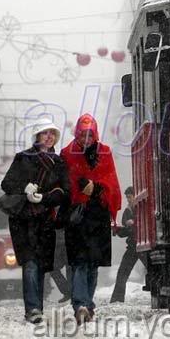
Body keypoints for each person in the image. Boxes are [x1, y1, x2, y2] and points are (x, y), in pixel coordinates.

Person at [0, 118, 70, 324]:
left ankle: (36, 307)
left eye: (52, 133)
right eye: (44, 133)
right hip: (22, 220)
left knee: (39, 265)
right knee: (30, 263)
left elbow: (65, 192)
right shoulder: (23, 158)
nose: (49, 137)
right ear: (37, 136)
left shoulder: (59, 163)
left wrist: (45, 198)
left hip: (45, 221)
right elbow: (7, 184)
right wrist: (25, 189)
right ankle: (32, 309)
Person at [60, 113, 121, 324]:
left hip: (97, 213)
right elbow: (64, 182)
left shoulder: (104, 152)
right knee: (79, 262)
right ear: (77, 133)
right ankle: (81, 304)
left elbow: (111, 182)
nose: (86, 139)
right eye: (83, 134)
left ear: (94, 134)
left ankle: (86, 302)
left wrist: (96, 188)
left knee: (92, 263)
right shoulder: (67, 153)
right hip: (77, 214)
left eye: (89, 134)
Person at [110, 186, 146, 303]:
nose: (129, 200)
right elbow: (128, 231)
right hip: (135, 245)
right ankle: (117, 299)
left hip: (141, 245)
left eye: (130, 197)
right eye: (127, 198)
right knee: (122, 273)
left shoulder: (142, 208)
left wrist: (133, 224)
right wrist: (117, 230)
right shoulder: (128, 211)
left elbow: (136, 228)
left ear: (135, 196)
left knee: (123, 273)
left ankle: (117, 299)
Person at [50, 228, 72, 303]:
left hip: (62, 241)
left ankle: (69, 292)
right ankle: (69, 291)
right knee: (54, 269)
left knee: (69, 268)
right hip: (59, 241)